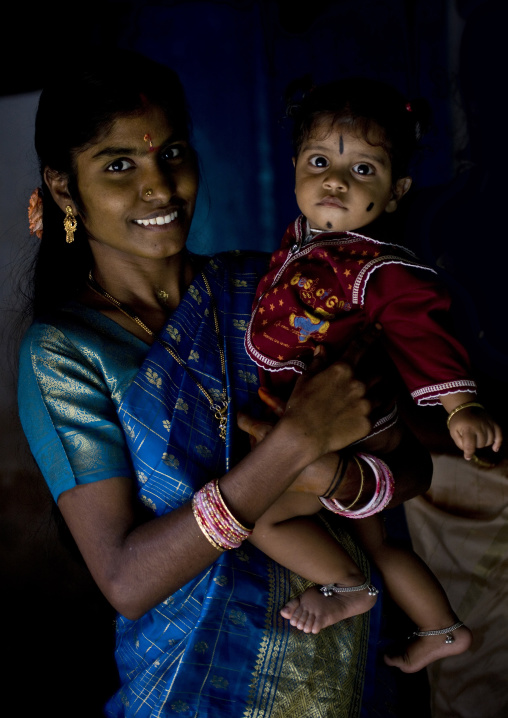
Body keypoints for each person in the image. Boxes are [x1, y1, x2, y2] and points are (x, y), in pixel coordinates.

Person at [18, 48, 431, 717]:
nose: (161, 186)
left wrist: (333, 475)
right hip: (192, 690)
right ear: (64, 187)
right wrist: (294, 446)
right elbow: (126, 580)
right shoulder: (66, 353)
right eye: (119, 164)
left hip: (342, 667)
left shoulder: (275, 291)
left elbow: (411, 471)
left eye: (173, 152)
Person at [244, 77, 501, 671]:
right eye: (320, 161)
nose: (336, 180)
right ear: (294, 169)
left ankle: (346, 589)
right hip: (344, 432)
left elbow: (421, 326)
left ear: (394, 193)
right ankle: (442, 631)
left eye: (364, 171)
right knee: (378, 539)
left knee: (263, 515)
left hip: (350, 433)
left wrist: (459, 404)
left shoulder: (377, 268)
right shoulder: (307, 243)